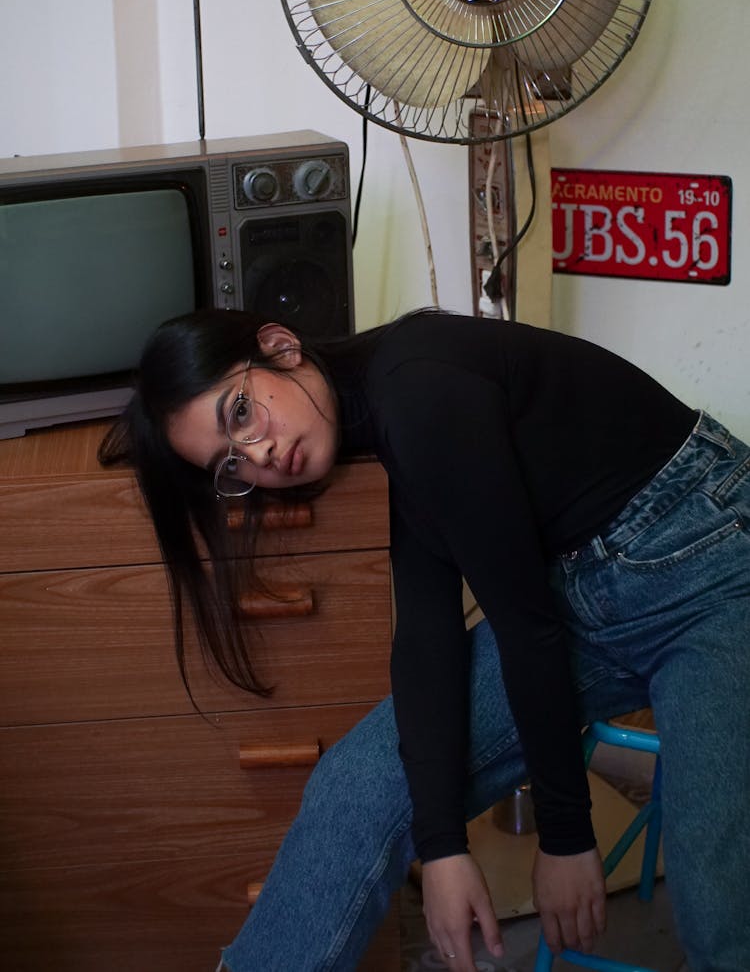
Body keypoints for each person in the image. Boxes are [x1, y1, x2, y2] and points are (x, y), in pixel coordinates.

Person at [99, 306, 750, 972]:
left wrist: (564, 834)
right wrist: (441, 846)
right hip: (576, 603)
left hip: (712, 563)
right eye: (230, 462)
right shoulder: (384, 413)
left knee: (722, 915)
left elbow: (526, 629)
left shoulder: (416, 388)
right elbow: (427, 631)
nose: (259, 454)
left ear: (280, 346)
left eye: (240, 413)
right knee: (354, 784)